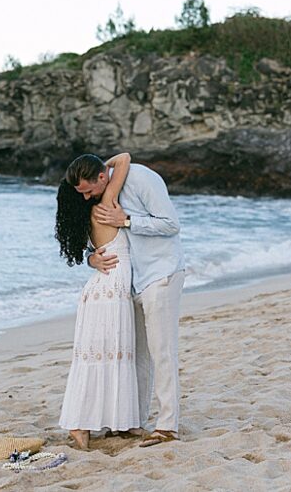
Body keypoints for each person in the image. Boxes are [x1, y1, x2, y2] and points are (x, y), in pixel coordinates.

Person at [63, 153, 185, 449]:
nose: (87, 197)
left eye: (89, 190)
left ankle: (168, 425)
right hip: (131, 282)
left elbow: (171, 224)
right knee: (138, 354)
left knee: (162, 351)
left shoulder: (142, 179)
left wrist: (127, 220)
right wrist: (92, 258)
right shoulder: (106, 190)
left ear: (102, 178)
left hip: (160, 272)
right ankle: (134, 421)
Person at [55, 152, 138, 450]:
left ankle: (107, 423)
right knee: (103, 357)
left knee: (106, 357)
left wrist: (91, 259)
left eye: (87, 189)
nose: (87, 195)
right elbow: (125, 159)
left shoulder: (93, 208)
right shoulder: (104, 204)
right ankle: (80, 425)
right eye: (83, 192)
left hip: (105, 289)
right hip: (109, 290)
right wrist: (100, 166)